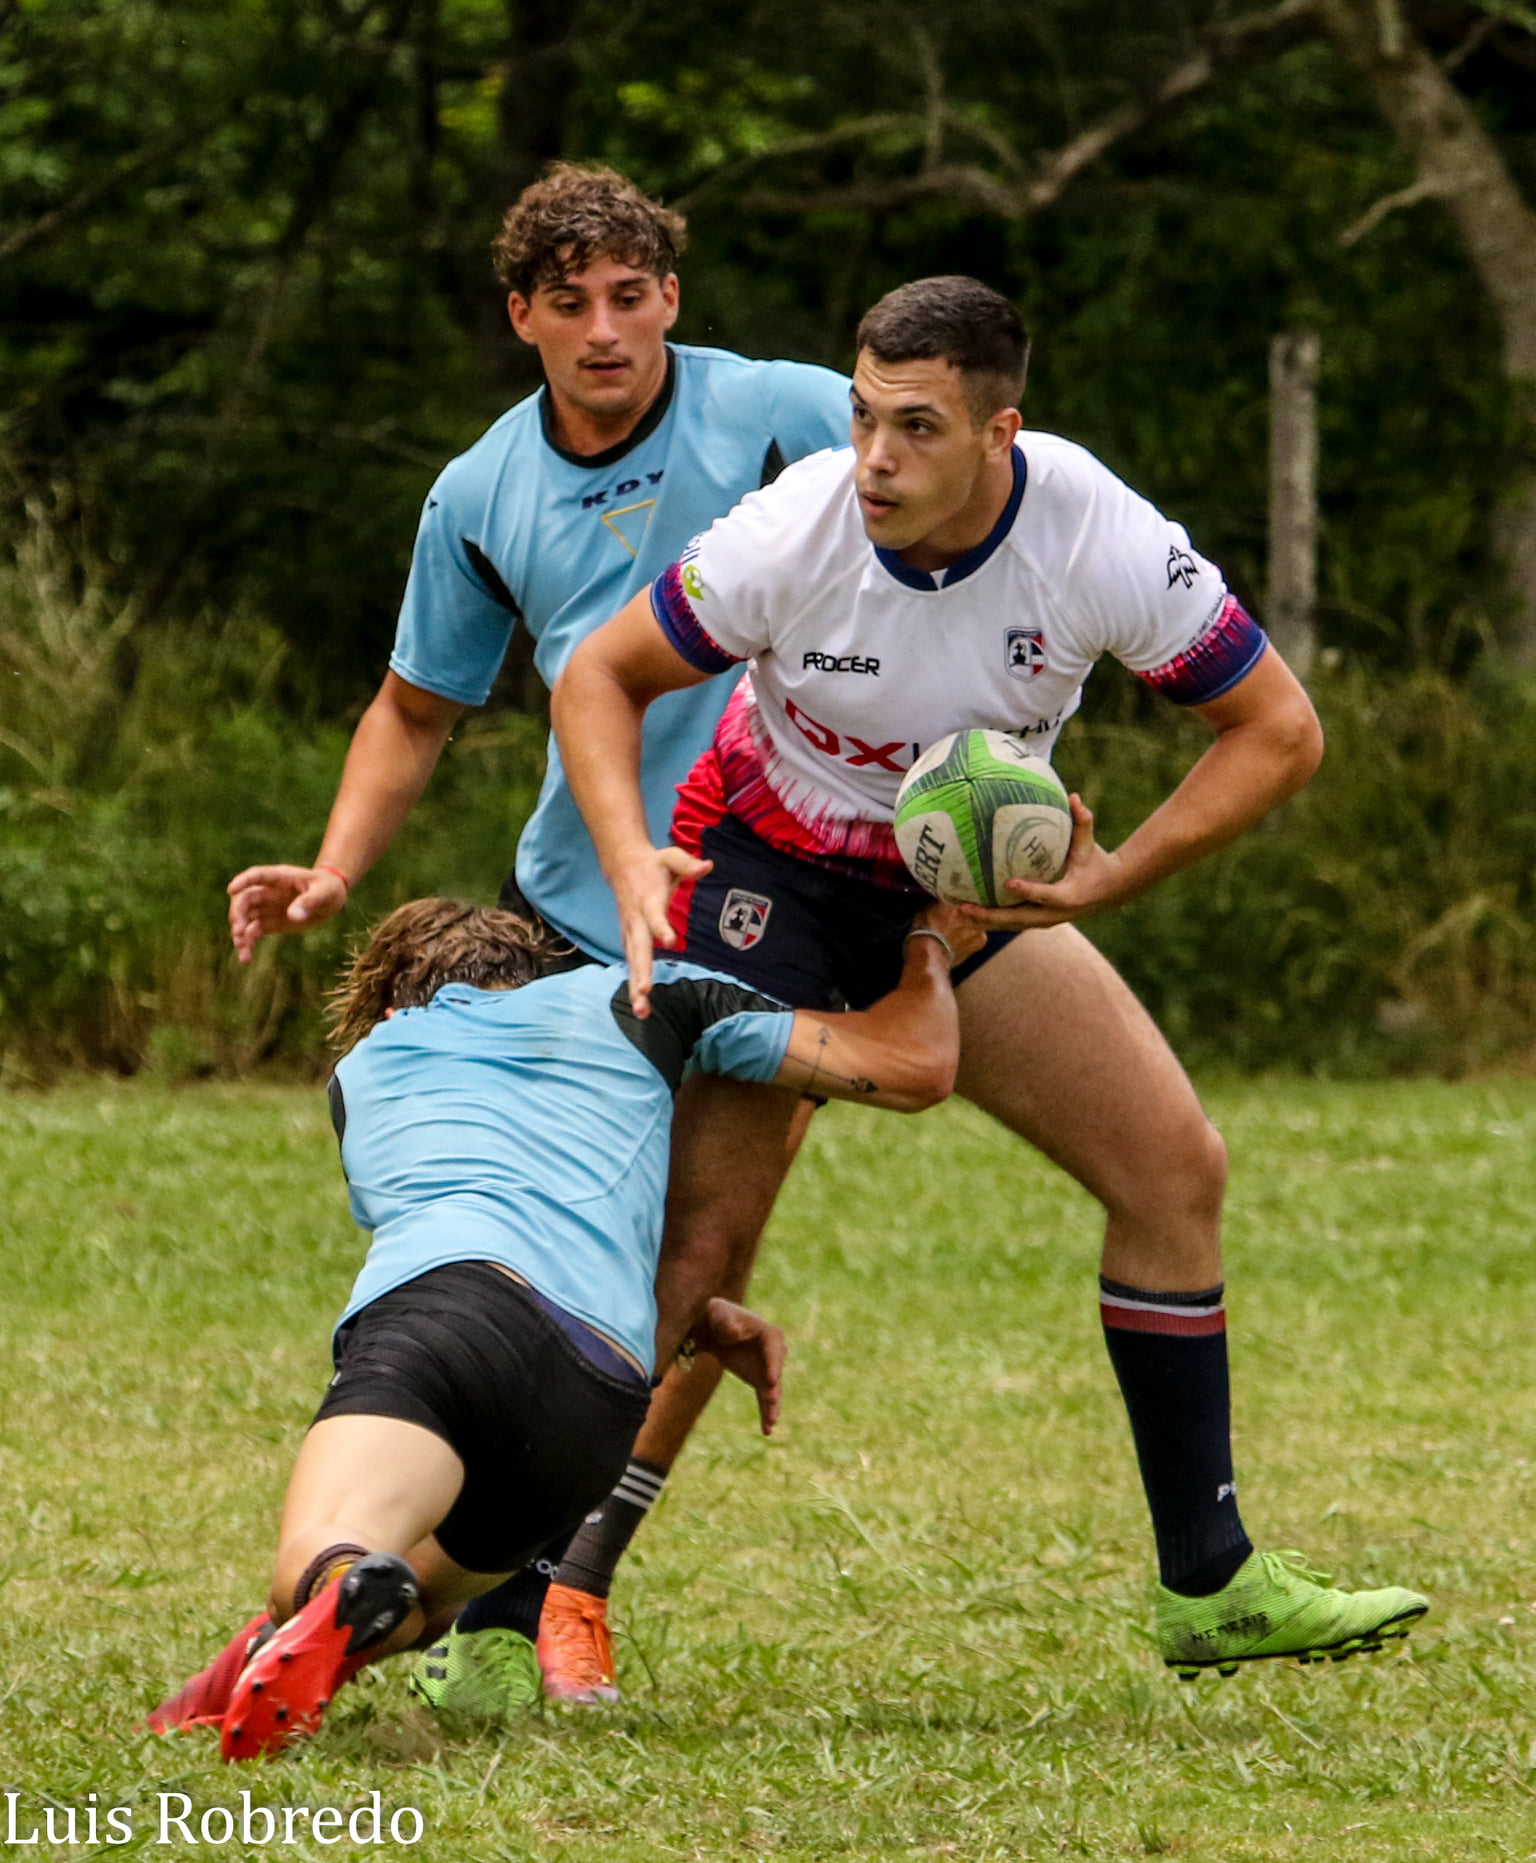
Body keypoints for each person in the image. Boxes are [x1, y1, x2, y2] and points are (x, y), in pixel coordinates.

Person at [551, 275, 1430, 1678]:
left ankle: (1208, 1582)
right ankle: (515, 1598)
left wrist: (1107, 877)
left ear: (999, 431)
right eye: (859, 417)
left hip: (960, 892)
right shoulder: (798, 531)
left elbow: (1278, 729)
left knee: (1172, 1167)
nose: (875, 459)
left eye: (914, 427)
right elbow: (600, 676)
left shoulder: (1096, 533)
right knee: (698, 1261)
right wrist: (629, 861)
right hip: (766, 874)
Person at [220, 162, 852, 1710]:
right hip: (607, 910)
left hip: (852, 872)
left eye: (630, 295)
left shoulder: (783, 410)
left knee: (1167, 1161)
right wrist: (332, 865)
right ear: (523, 318)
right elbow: (416, 704)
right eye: (568, 301)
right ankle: (544, 1594)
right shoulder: (483, 488)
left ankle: (1211, 1554)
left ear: (671, 302)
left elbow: (966, 494)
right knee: (668, 1249)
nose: (604, 327)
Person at [146, 894, 981, 1757]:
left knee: (327, 1554)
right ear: (540, 964)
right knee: (427, 1607)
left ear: (392, 1003)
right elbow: (915, 1064)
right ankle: (285, 1649)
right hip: (598, 1398)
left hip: (446, 1317)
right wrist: (929, 946)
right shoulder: (645, 996)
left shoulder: (361, 1070)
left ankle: (340, 1583)